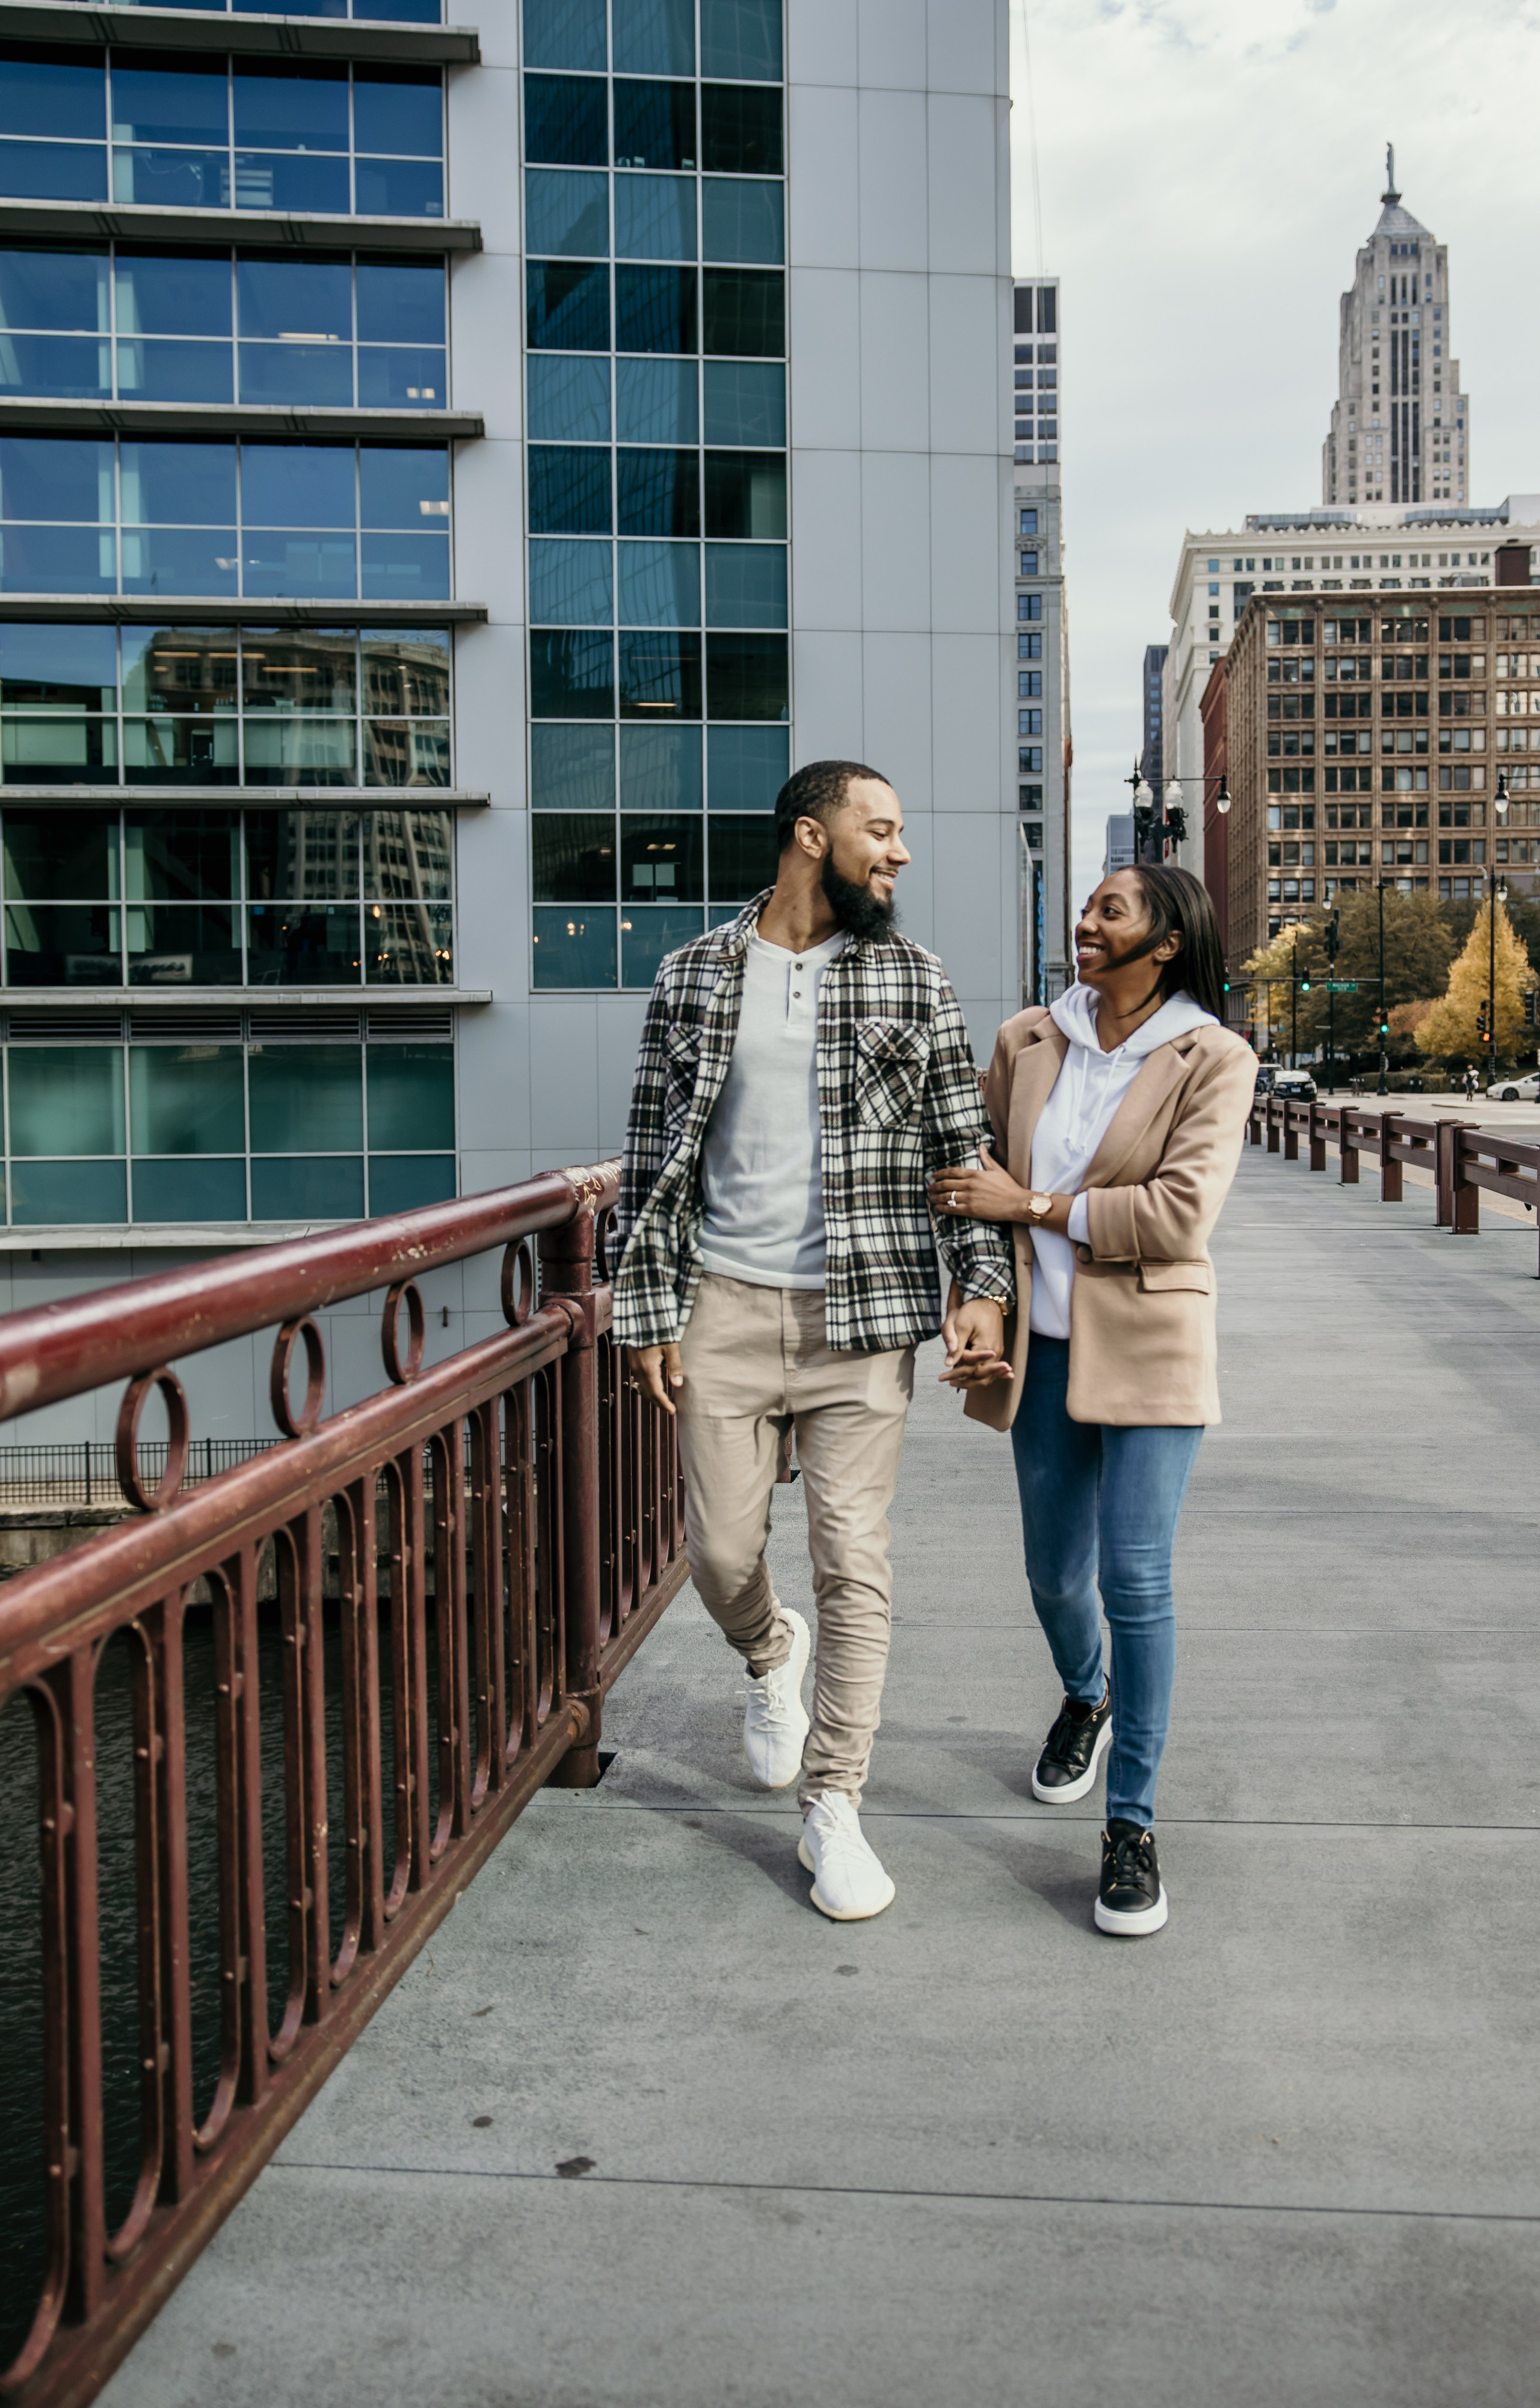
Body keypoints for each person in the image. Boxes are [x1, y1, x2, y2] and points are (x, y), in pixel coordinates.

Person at [614, 759, 1013, 1922]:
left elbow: (961, 1151)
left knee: (855, 1562)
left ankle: (834, 1802)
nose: (898, 852)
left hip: (864, 1315)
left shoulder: (914, 977)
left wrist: (982, 1287)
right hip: (721, 1308)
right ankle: (766, 1653)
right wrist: (642, 1309)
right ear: (809, 836)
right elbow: (646, 1156)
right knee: (718, 1555)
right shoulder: (693, 974)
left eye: (901, 832)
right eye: (879, 830)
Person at [931, 864, 1255, 1937]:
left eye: (1112, 911)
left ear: (1167, 943)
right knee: (1054, 1574)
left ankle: (1131, 1826)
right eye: (1088, 907)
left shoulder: (1214, 1056)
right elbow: (968, 1187)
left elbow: (1178, 1215)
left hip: (1152, 1342)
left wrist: (1033, 1203)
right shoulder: (1028, 1040)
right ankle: (1088, 1694)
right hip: (1043, 1352)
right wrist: (979, 1300)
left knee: (1136, 1580)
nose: (1087, 922)